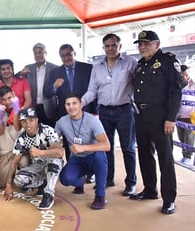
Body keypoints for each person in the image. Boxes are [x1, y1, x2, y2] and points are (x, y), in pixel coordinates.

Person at [129, 30, 183, 215]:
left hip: (162, 117)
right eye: (140, 44)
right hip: (141, 116)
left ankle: (169, 199)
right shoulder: (140, 64)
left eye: (147, 43)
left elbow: (176, 92)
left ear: (157, 44)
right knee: (144, 154)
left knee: (165, 159)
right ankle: (150, 190)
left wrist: (171, 118)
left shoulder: (168, 62)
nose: (142, 47)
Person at [81, 33, 138, 195]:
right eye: (107, 46)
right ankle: (108, 179)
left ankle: (131, 182)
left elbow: (141, 84)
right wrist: (81, 103)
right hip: (104, 111)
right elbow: (92, 90)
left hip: (125, 110)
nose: (111, 48)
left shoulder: (131, 63)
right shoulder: (97, 67)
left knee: (128, 148)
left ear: (120, 46)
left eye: (114, 45)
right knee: (106, 147)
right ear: (103, 48)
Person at [45, 44, 97, 183]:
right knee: (70, 143)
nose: (66, 58)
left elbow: (94, 90)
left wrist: (95, 112)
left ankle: (91, 172)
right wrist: (55, 86)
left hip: (86, 112)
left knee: (90, 141)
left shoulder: (87, 68)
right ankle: (76, 171)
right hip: (65, 113)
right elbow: (47, 93)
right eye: (63, 56)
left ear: (74, 53)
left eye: (68, 54)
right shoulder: (55, 72)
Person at [56, 94, 110, 210]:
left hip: (93, 157)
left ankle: (100, 196)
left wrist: (84, 148)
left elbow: (106, 145)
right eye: (68, 104)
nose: (71, 107)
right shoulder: (62, 122)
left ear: (81, 104)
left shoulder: (92, 120)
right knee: (65, 179)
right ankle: (80, 181)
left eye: (74, 103)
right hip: (77, 159)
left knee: (100, 156)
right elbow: (53, 140)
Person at [10, 107, 64, 210]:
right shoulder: (22, 138)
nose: (28, 124)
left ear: (37, 120)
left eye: (31, 120)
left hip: (51, 161)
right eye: (24, 121)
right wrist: (9, 184)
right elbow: (14, 161)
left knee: (54, 160)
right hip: (37, 166)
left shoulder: (47, 130)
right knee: (19, 181)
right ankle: (42, 183)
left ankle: (48, 194)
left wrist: (41, 152)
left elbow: (60, 152)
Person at [19, 43, 59, 127]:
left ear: (46, 53)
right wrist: (21, 73)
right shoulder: (28, 68)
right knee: (33, 132)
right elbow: (17, 79)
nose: (38, 55)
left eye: (40, 52)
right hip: (32, 106)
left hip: (49, 107)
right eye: (36, 53)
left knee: (49, 133)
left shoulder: (54, 68)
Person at [0, 86, 22, 190]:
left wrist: (17, 111)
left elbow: (17, 127)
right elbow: (0, 132)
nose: (7, 102)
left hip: (19, 152)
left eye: (9, 98)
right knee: (1, 184)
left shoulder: (21, 109)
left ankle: (21, 176)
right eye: (3, 99)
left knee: (24, 164)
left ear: (14, 95)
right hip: (4, 153)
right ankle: (11, 175)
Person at [176, 64, 195, 166]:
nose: (184, 77)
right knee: (181, 137)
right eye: (182, 75)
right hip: (179, 115)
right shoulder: (178, 84)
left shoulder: (192, 84)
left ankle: (188, 157)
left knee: (189, 137)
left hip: (190, 115)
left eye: (186, 75)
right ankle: (184, 155)